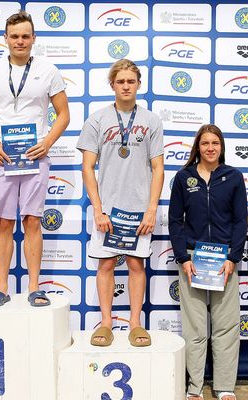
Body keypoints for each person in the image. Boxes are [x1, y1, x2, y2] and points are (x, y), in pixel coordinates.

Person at [0, 11, 70, 307]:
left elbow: (64, 114)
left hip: (35, 156)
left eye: (25, 36)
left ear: (34, 38)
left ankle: (34, 288)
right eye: (14, 36)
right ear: (5, 39)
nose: (20, 41)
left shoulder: (49, 70)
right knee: (3, 222)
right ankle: (1, 287)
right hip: (0, 156)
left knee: (32, 220)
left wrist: (47, 142)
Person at [78, 59, 164, 347]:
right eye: (120, 81)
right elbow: (87, 167)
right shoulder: (97, 119)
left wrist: (151, 209)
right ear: (112, 84)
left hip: (139, 209)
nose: (126, 86)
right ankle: (106, 323)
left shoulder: (151, 121)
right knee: (105, 265)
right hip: (108, 209)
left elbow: (158, 168)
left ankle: (136, 323)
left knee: (137, 265)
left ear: (139, 83)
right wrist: (98, 208)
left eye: (131, 81)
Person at [169, 124, 246, 400]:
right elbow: (176, 221)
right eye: (205, 143)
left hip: (224, 262)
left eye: (215, 143)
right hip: (193, 261)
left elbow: (240, 221)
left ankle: (224, 386)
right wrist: (183, 258)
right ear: (197, 147)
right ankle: (195, 387)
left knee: (226, 328)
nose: (210, 148)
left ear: (221, 147)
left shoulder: (233, 177)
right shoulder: (183, 178)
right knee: (196, 329)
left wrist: (233, 258)